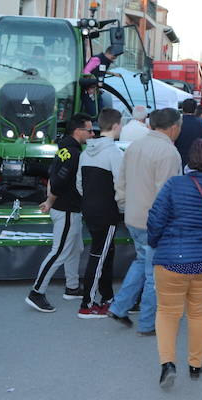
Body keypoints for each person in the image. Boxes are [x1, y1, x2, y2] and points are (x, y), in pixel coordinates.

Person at [148, 139, 202, 389]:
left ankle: (168, 364)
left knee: (167, 312)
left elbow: (156, 219)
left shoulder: (175, 185)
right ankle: (196, 365)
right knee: (198, 312)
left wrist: (156, 242)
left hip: (172, 260)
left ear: (191, 159)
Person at [110, 108, 183, 334]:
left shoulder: (135, 147)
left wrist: (124, 206)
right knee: (155, 273)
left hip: (133, 216)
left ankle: (120, 306)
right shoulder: (169, 153)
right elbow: (168, 194)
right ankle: (148, 322)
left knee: (142, 261)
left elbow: (120, 182)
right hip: (155, 222)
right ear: (173, 127)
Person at [26, 113, 93, 312]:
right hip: (67, 210)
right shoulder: (74, 154)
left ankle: (72, 287)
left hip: (67, 209)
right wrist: (49, 201)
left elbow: (52, 176)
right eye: (89, 130)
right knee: (59, 252)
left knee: (74, 249)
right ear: (78, 131)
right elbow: (58, 182)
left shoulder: (64, 148)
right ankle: (36, 292)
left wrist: (50, 201)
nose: (92, 134)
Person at [75, 108, 125, 318]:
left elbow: (79, 183)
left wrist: (91, 200)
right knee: (99, 255)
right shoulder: (115, 153)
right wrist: (122, 209)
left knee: (105, 252)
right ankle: (87, 304)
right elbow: (121, 186)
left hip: (89, 209)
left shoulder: (85, 152)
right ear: (115, 126)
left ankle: (107, 296)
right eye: (121, 124)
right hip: (107, 212)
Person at [175, 98, 202, 168]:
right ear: (195, 110)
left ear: (183, 109)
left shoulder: (177, 123)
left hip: (179, 158)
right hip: (196, 159)